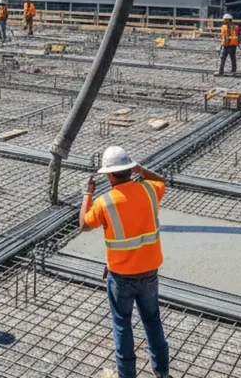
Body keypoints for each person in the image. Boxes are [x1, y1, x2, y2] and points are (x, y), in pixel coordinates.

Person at [80, 146, 169, 378]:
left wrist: (86, 194)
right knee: (152, 320)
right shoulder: (149, 190)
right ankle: (161, 371)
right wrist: (143, 170)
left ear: (109, 174)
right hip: (149, 272)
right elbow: (162, 180)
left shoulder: (104, 202)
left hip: (120, 277)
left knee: (122, 326)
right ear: (130, 169)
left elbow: (84, 225)